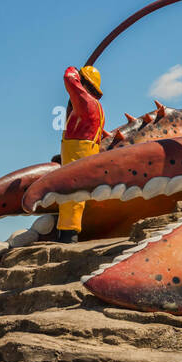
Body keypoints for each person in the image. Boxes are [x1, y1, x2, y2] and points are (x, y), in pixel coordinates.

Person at [57, 64, 105, 243]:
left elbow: (69, 79)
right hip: (87, 150)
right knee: (76, 194)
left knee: (70, 192)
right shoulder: (98, 106)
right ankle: (70, 232)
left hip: (77, 150)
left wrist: (72, 69)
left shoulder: (86, 101)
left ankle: (68, 235)